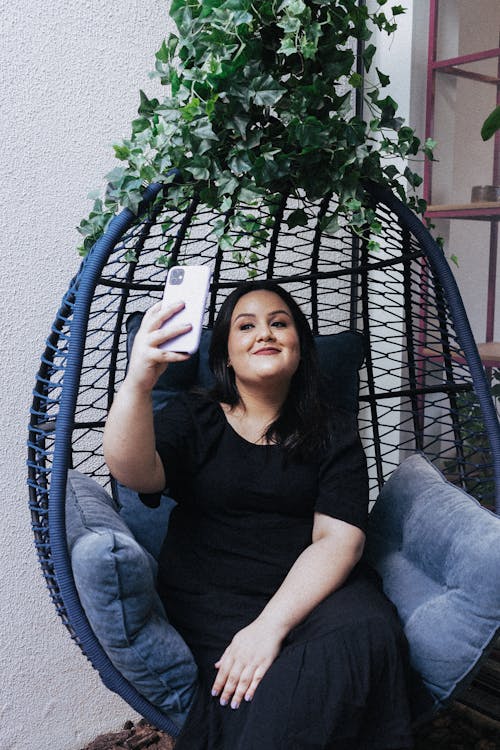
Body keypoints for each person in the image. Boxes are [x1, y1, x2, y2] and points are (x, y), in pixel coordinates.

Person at [103, 279, 414, 750]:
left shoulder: (332, 427)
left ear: (301, 349)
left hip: (313, 592)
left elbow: (339, 540)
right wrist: (140, 379)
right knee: (263, 686)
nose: (264, 333)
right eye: (245, 325)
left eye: (280, 323)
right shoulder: (193, 416)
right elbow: (133, 472)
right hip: (214, 595)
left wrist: (270, 628)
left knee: (368, 632)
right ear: (226, 354)